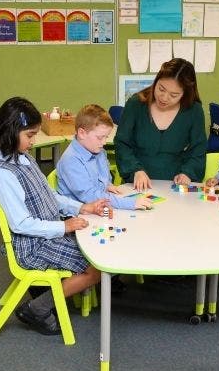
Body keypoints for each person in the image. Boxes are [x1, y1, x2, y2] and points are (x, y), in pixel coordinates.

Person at [0, 96, 107, 336]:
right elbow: (21, 224)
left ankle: (42, 294)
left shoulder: (23, 158)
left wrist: (81, 208)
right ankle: (37, 308)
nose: (33, 141)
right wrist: (65, 228)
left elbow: (49, 196)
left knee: (96, 245)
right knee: (95, 269)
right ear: (11, 132)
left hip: (47, 233)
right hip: (32, 246)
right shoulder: (2, 174)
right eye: (29, 135)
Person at [56, 104, 152, 294]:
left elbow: (104, 177)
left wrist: (108, 185)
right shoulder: (71, 160)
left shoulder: (95, 150)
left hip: (96, 209)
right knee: (120, 227)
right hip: (78, 215)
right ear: (82, 133)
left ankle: (110, 275)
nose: (103, 142)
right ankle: (104, 275)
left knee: (128, 225)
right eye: (100, 137)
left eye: (106, 137)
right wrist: (130, 203)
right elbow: (92, 197)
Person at [114, 58, 206, 192]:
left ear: (185, 94)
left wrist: (187, 173)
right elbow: (122, 143)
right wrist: (135, 170)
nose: (164, 98)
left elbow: (198, 149)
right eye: (161, 89)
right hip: (137, 185)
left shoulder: (193, 110)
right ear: (156, 81)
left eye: (174, 95)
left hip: (176, 187)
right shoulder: (136, 104)